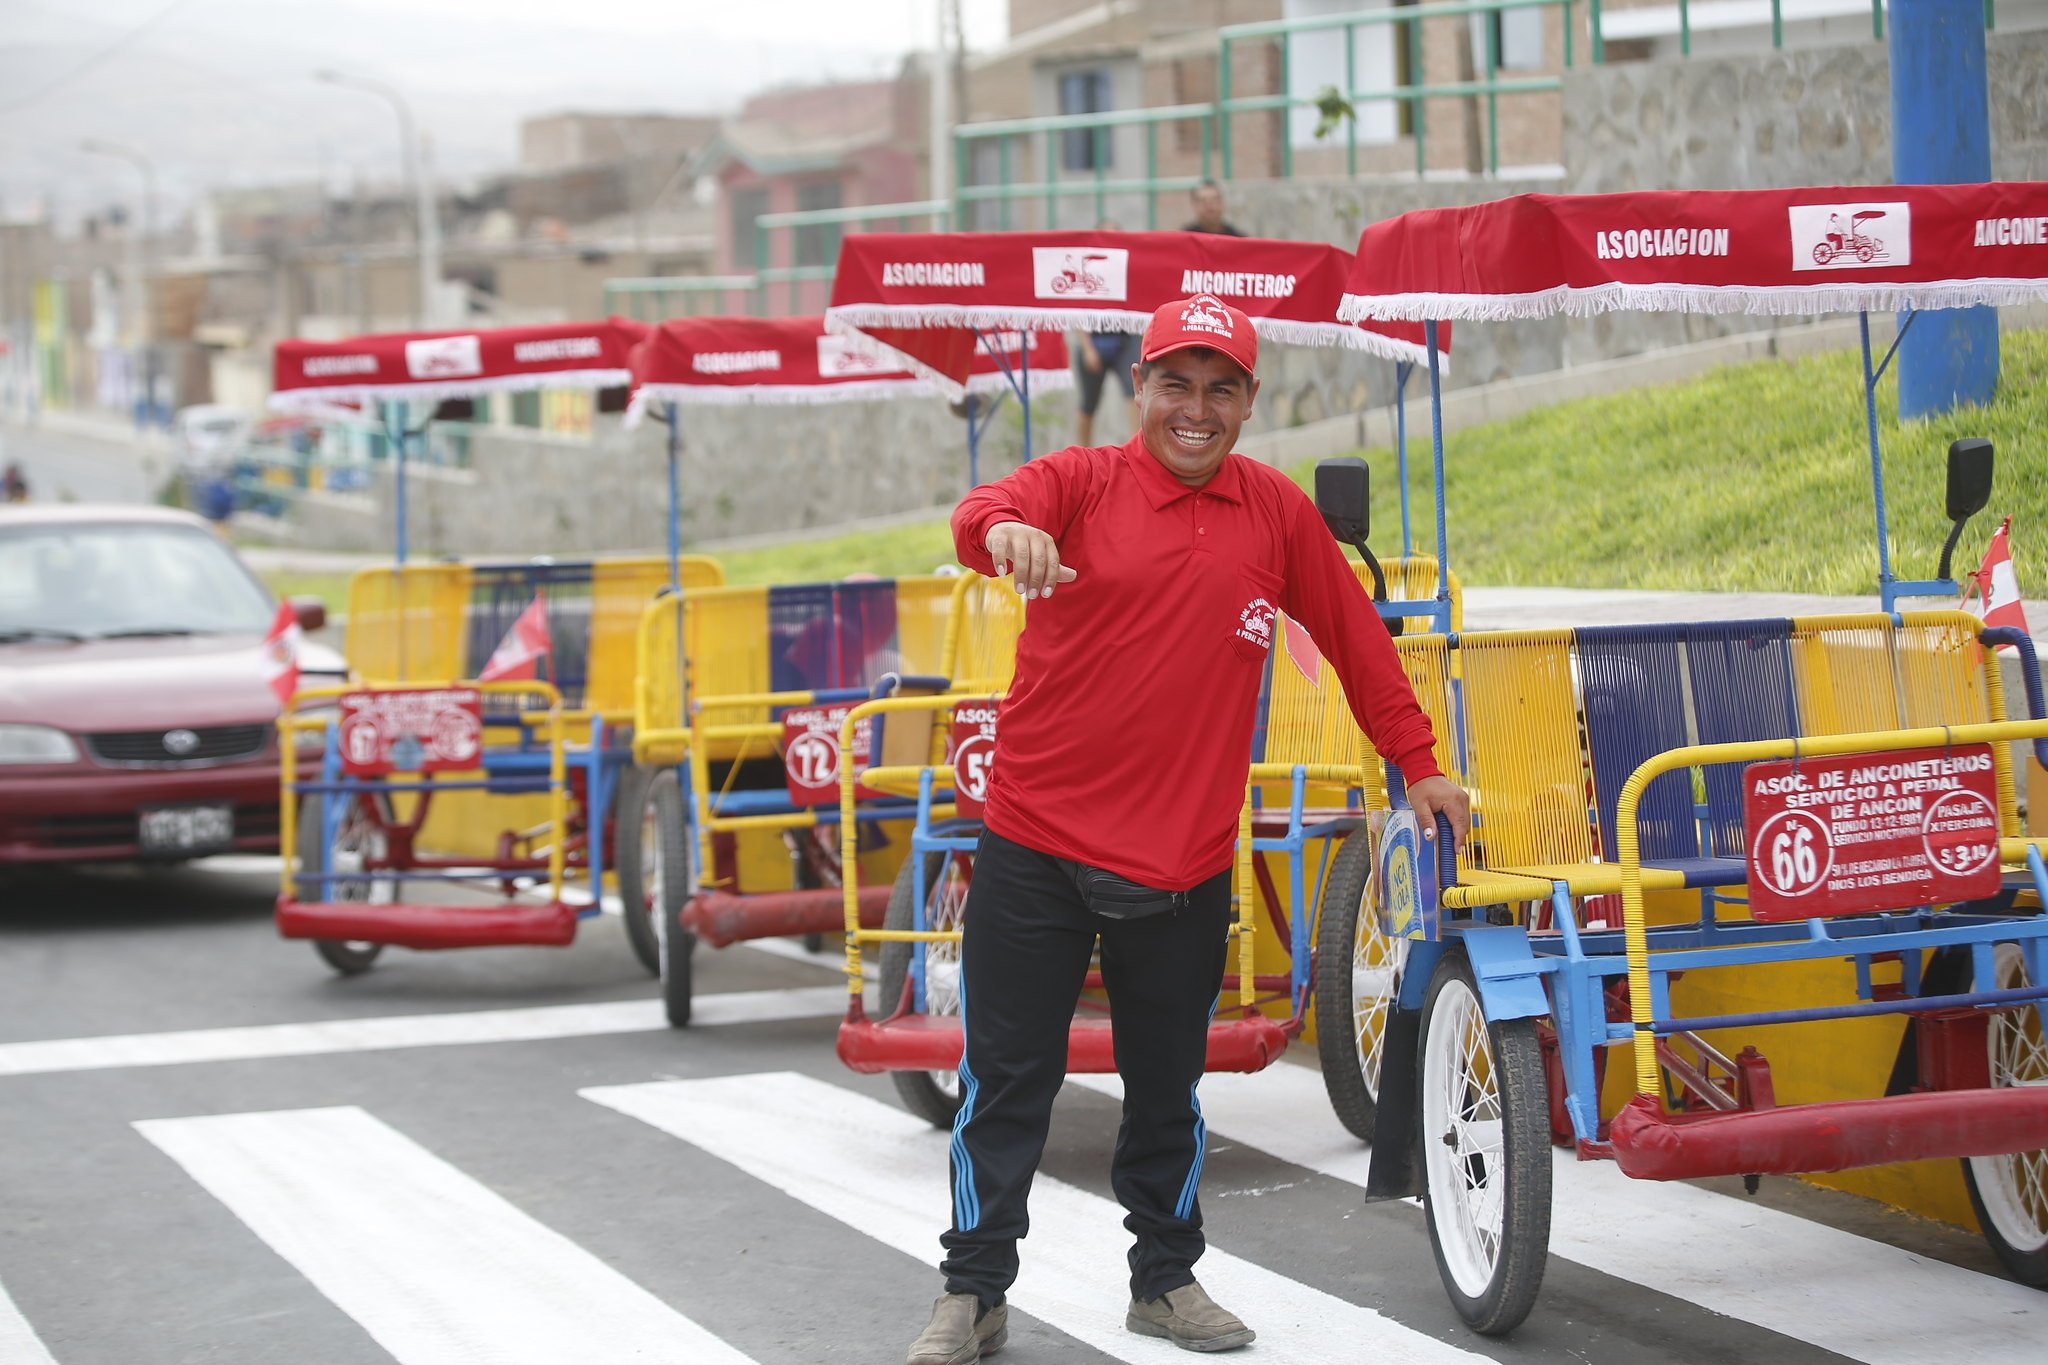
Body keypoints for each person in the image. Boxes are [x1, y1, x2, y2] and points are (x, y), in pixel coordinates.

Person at [904, 294, 1470, 1364]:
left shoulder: (1276, 514)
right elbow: (986, 509)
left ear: (1249, 402)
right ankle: (971, 1293)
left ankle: (1164, 1281)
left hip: (1181, 863)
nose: (1195, 409)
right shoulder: (1080, 481)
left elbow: (1355, 640)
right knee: (1005, 1083)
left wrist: (1420, 764)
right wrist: (1004, 532)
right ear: (1139, 388)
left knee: (1167, 1093)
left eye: (1220, 389)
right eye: (1175, 383)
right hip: (1035, 844)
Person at [1070, 219, 1138, 446]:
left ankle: (1137, 449)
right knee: (1088, 403)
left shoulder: (1130, 269)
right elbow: (1077, 313)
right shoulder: (1086, 272)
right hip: (1094, 340)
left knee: (1135, 393)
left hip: (1124, 339)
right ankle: (1082, 453)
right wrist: (1088, 348)